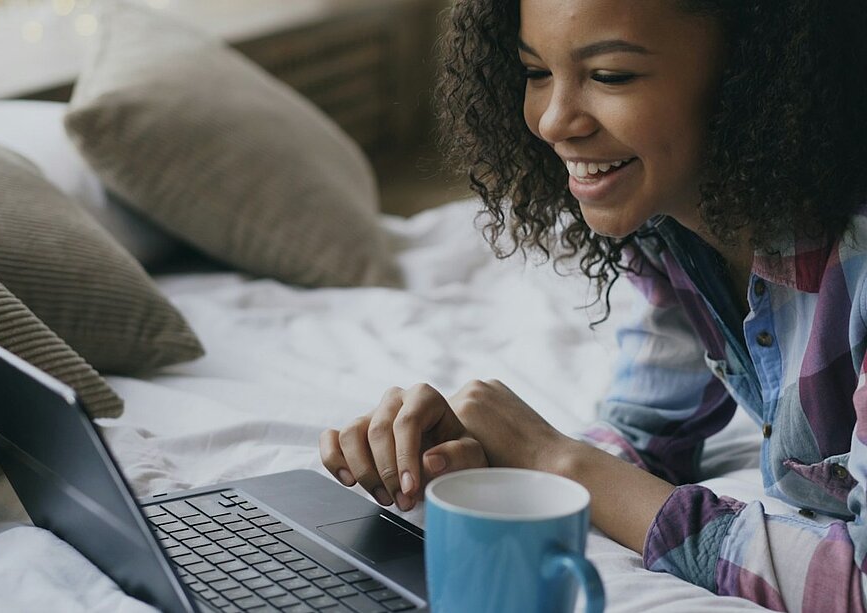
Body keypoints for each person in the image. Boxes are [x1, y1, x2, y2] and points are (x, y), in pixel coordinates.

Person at [319, 0, 867, 610]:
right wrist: (491, 463)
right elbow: (646, 435)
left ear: (752, 72)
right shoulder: (680, 225)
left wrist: (557, 458)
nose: (553, 121)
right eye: (535, 72)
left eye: (610, 76)